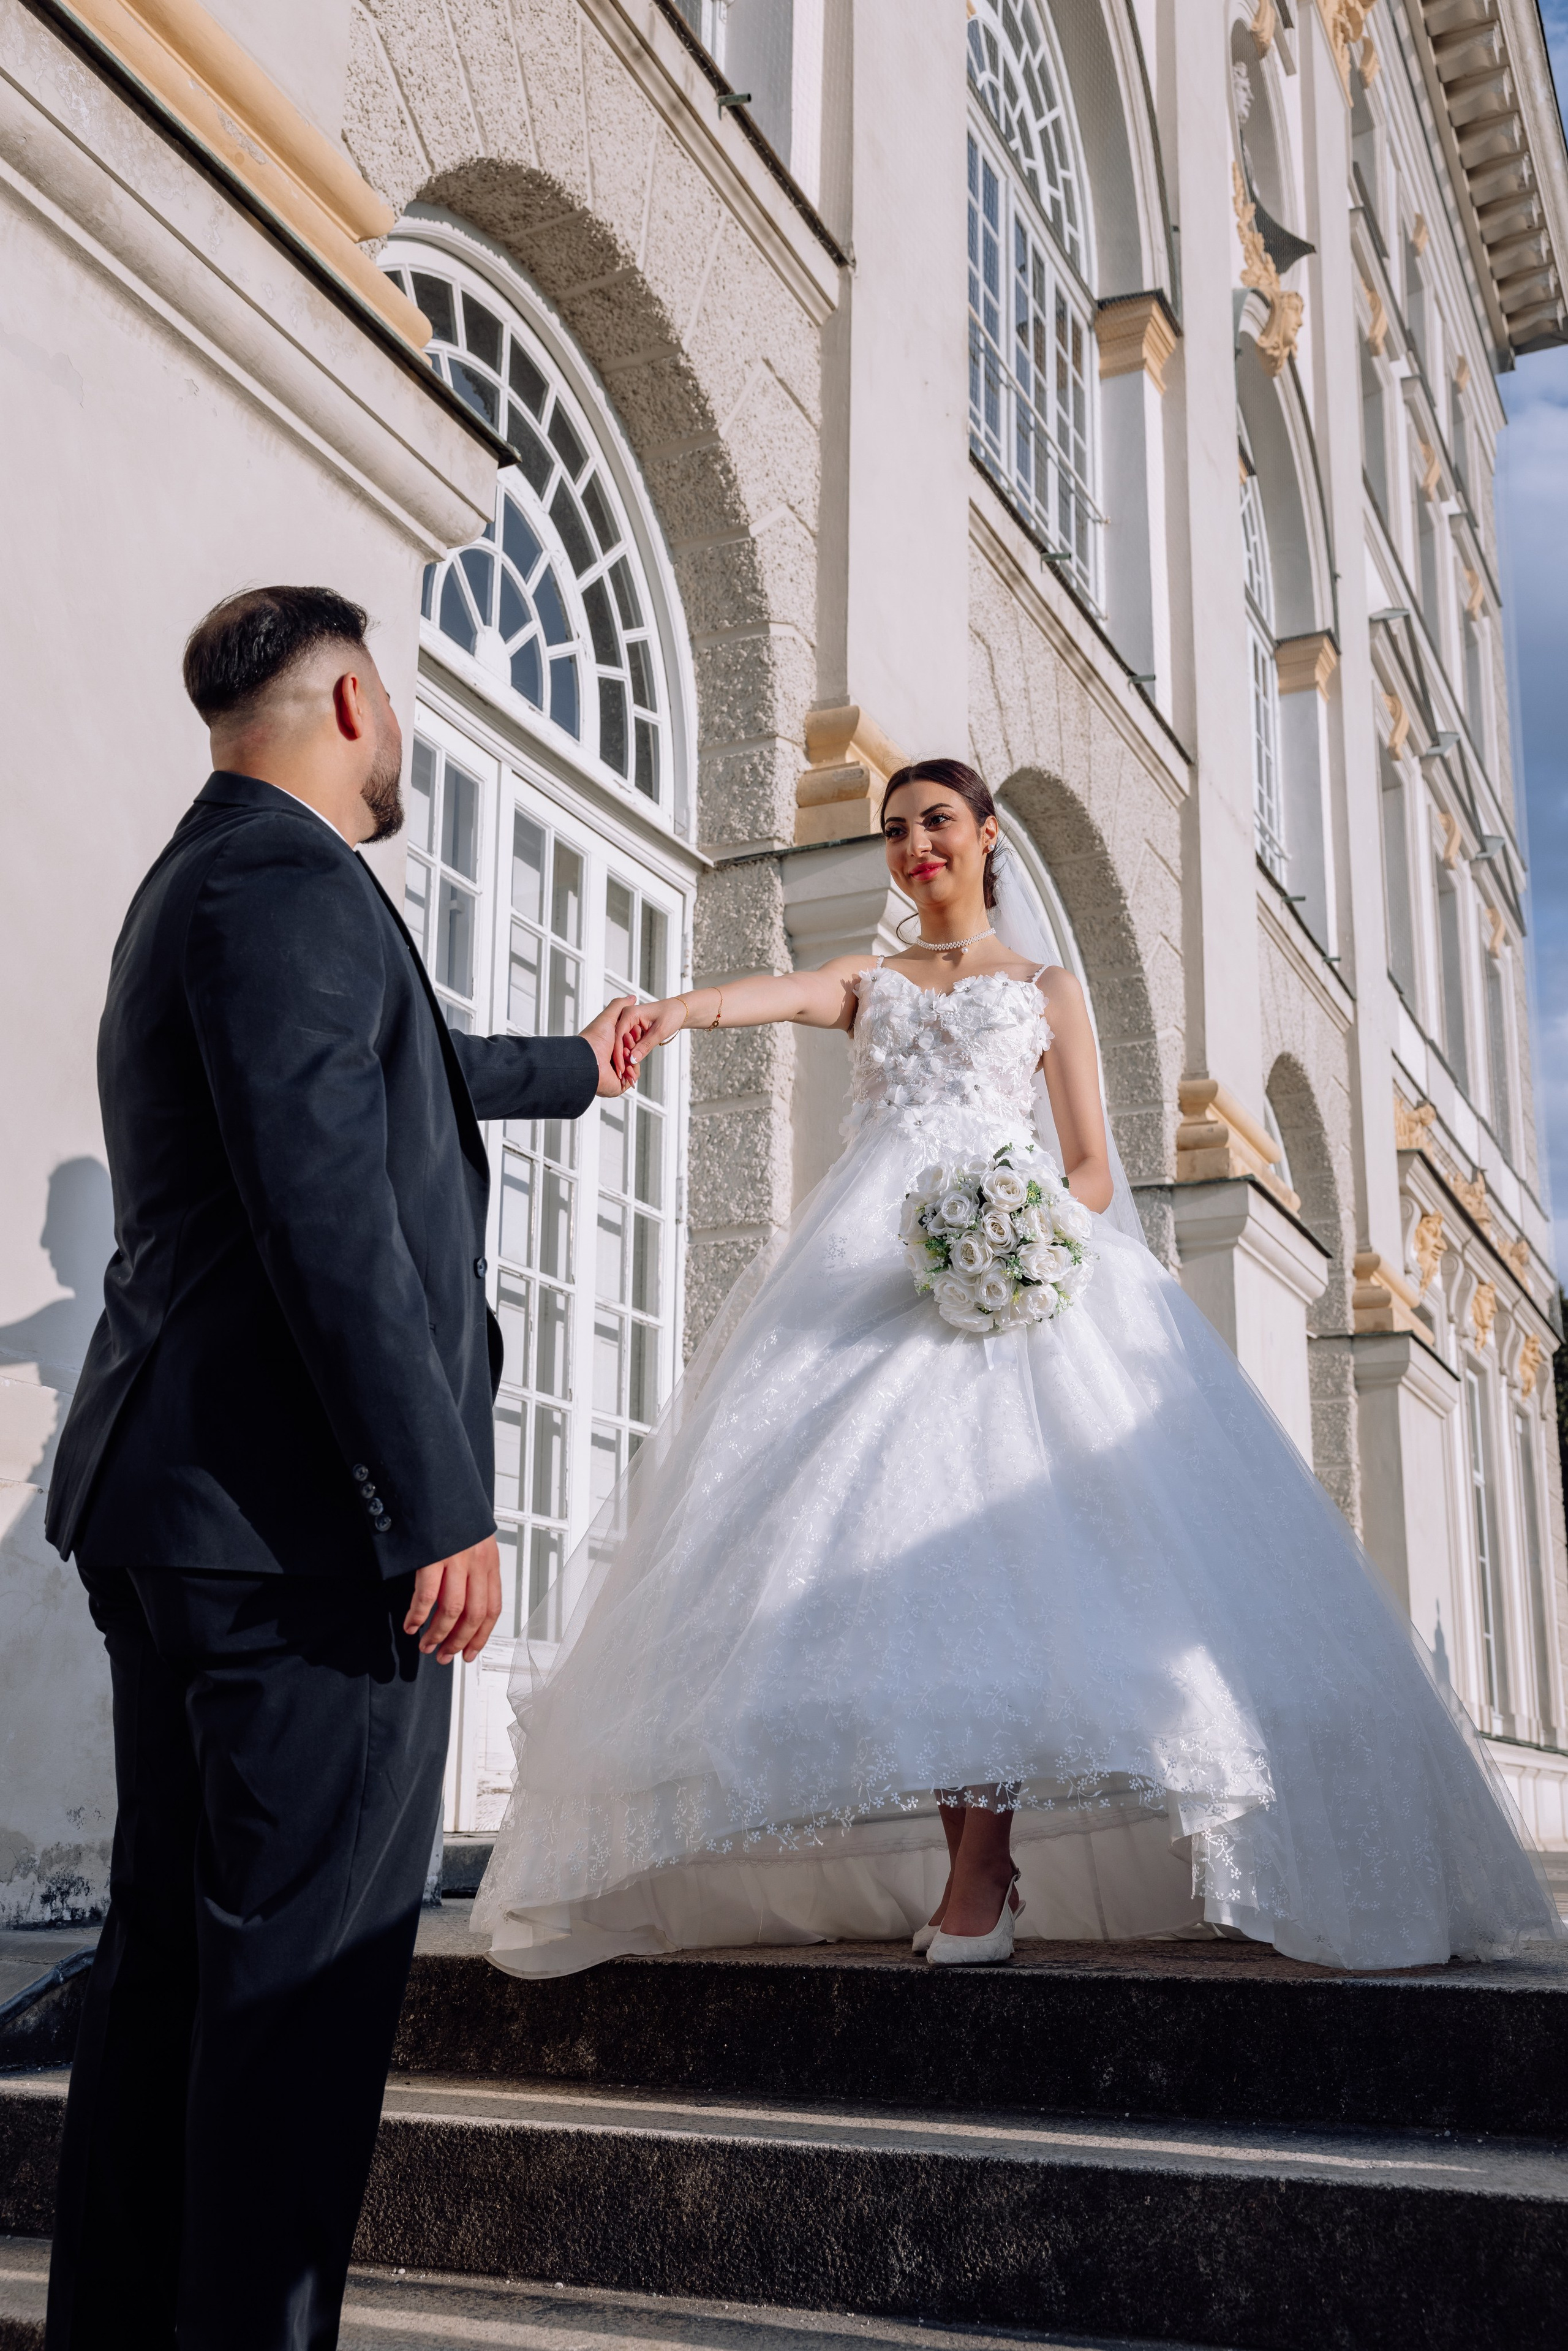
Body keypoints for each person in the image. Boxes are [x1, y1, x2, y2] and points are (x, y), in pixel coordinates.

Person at [473, 757, 1562, 1980]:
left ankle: (981, 1870)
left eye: (935, 821)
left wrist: (1027, 1227)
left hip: (1018, 1276)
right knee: (906, 1562)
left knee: (996, 1559)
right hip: (876, 1273)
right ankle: (972, 1870)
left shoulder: (1044, 986)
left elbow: (1092, 1163)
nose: (912, 844)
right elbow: (770, 995)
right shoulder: (871, 979)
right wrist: (669, 1010)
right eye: (894, 830)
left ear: (985, 836)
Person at [43, 586, 633, 2350]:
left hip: (188, 1519)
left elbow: (403, 1073)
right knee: (295, 2007)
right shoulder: (293, 887)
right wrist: (433, 1491)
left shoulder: (209, 880)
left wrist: (585, 1066)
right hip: (306, 1541)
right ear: (358, 699)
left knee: (169, 1988)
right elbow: (327, 1206)